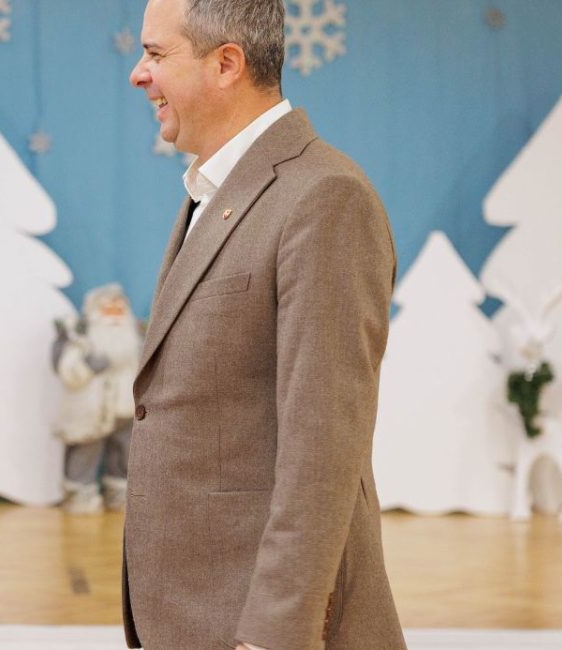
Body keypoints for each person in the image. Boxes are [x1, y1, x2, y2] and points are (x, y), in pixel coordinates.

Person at [121, 0, 406, 647]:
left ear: (226, 64)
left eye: (156, 54)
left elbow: (322, 450)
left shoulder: (325, 196)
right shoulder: (215, 192)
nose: (138, 74)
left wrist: (273, 637)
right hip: (198, 614)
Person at [51, 283, 140, 515]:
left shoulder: (134, 339)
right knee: (86, 451)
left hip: (124, 408)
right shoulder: (81, 337)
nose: (114, 316)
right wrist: (89, 365)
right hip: (90, 410)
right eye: (108, 310)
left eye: (119, 310)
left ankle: (118, 494)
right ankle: (80, 495)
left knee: (124, 453)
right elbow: (68, 370)